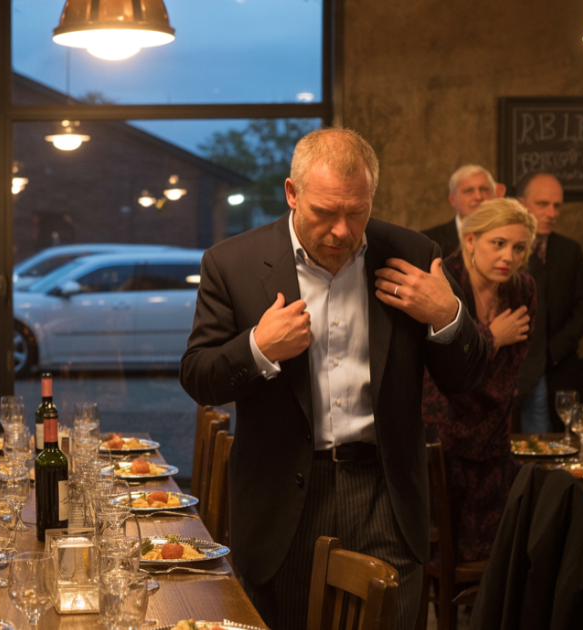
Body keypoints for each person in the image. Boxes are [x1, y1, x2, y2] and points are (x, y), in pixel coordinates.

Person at [180, 127, 488, 630]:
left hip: (386, 494)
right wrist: (258, 347)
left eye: (357, 212)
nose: (342, 231)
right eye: (325, 213)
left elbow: (468, 379)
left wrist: (446, 313)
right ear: (292, 194)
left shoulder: (411, 251)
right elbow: (198, 377)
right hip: (284, 500)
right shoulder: (231, 263)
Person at [422, 198, 537, 563]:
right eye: (498, 243)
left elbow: (506, 378)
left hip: (493, 438)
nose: (508, 257)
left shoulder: (523, 290)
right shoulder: (445, 281)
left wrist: (476, 347)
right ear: (470, 241)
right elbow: (441, 374)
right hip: (441, 438)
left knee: (491, 562)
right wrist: (492, 337)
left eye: (519, 248)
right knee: (439, 556)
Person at [512, 172, 583, 434]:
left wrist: (552, 350)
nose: (552, 212)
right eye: (543, 204)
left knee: (559, 446)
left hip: (559, 366)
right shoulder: (504, 247)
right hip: (513, 365)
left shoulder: (569, 250)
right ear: (522, 203)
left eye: (557, 205)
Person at [422, 164, 499, 258]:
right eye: (469, 190)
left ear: (494, 196)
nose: (478, 197)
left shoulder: (511, 236)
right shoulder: (428, 241)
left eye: (484, 189)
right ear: (452, 200)